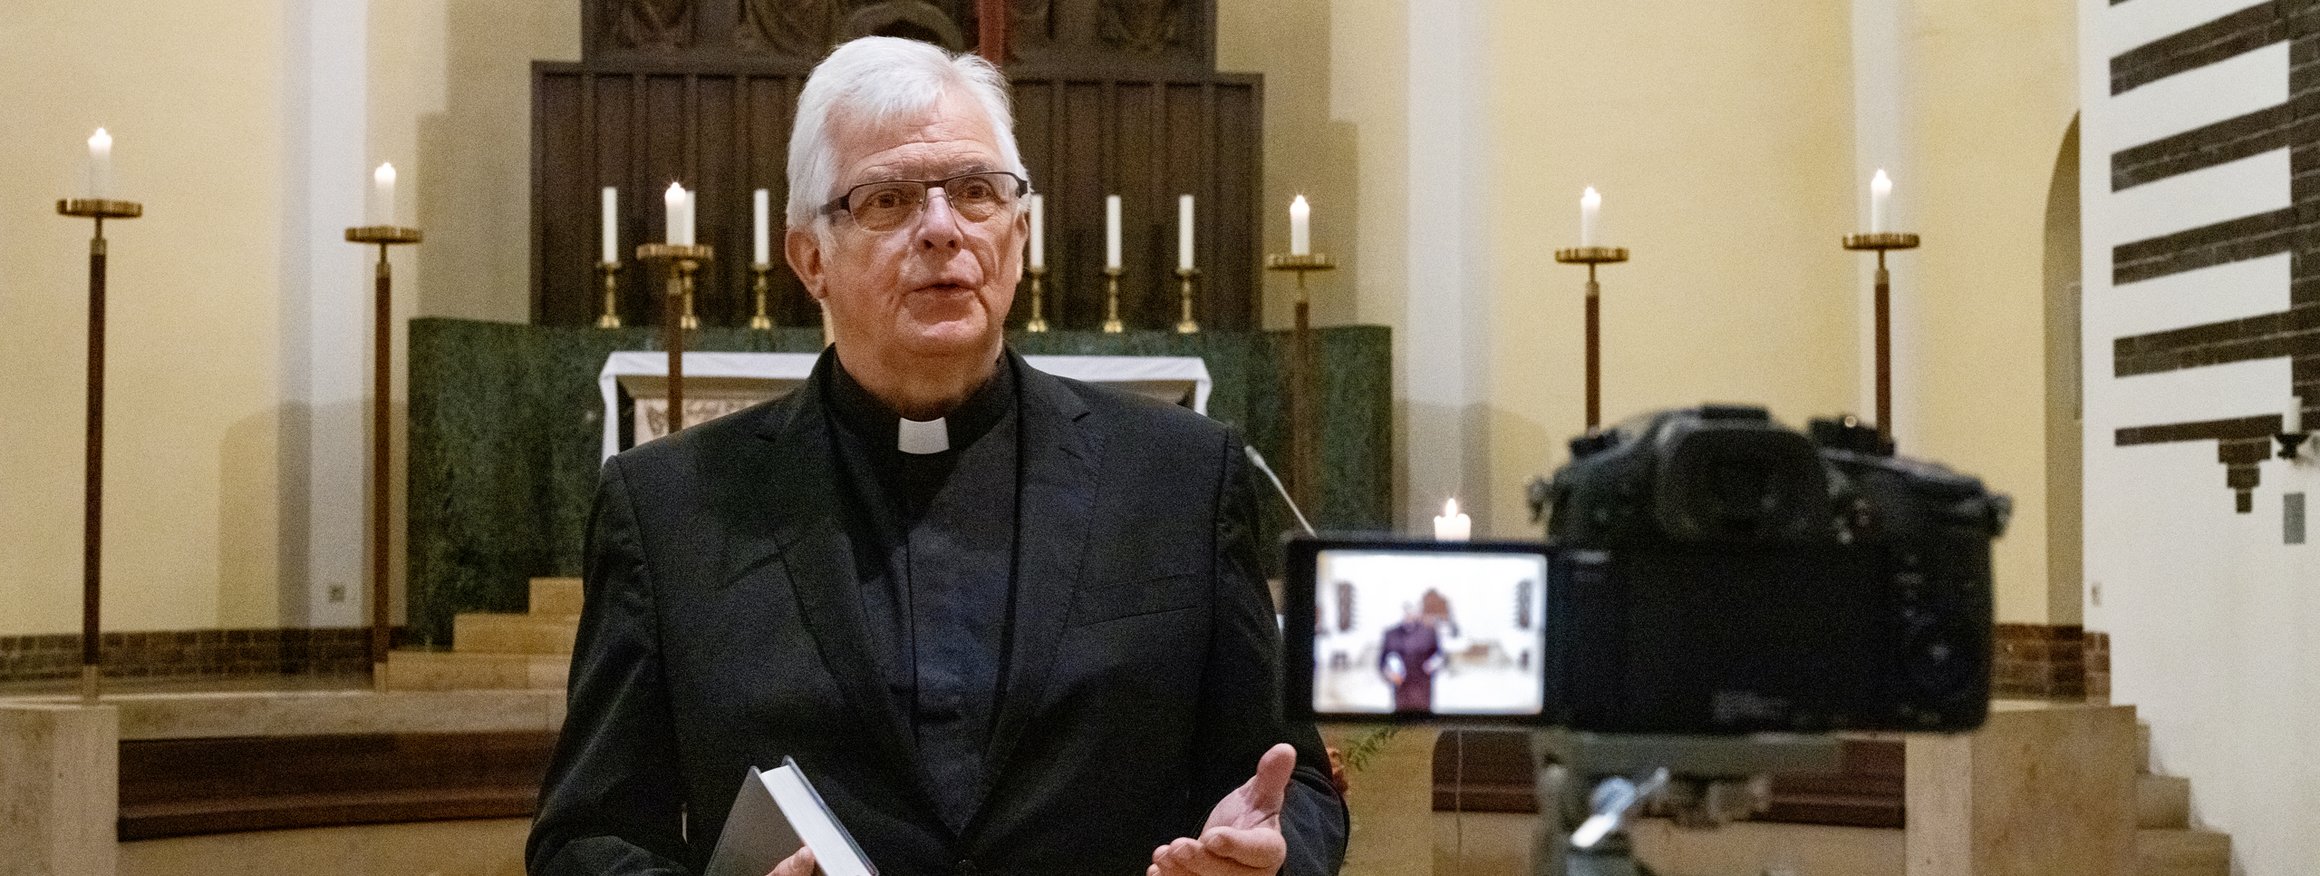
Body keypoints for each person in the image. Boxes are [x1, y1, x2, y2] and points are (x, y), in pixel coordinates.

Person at [526, 36, 1348, 876]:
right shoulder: (669, 509)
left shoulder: (1180, 476)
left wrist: (1271, 860)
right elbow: (584, 838)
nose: (942, 230)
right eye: (887, 199)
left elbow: (1297, 787)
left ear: (1019, 234)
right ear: (810, 258)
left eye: (976, 191)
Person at [1378, 603, 1443, 713]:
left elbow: (1440, 656)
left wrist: (1433, 664)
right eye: (1405, 610)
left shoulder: (1429, 632)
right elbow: (1381, 662)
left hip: (1422, 691)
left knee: (1422, 725)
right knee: (1403, 726)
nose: (1408, 613)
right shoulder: (1391, 634)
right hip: (1401, 693)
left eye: (1411, 609)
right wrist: (1389, 674)